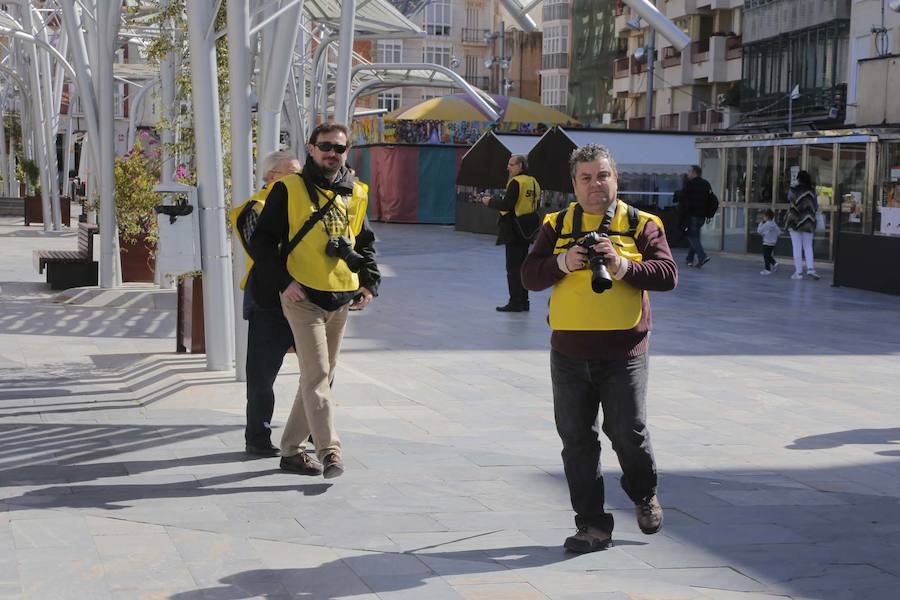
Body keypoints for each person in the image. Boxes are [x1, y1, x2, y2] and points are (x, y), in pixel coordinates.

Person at [521, 144, 678, 553]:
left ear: (616, 178)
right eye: (586, 178)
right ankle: (592, 525)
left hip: (624, 351)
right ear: (573, 184)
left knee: (628, 433)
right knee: (576, 440)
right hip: (569, 351)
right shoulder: (557, 224)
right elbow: (529, 277)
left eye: (602, 175)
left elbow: (666, 275)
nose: (595, 185)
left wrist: (622, 266)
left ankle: (644, 493)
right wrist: (563, 262)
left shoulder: (643, 223)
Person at [250, 123, 381, 478]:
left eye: (339, 149)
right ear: (310, 148)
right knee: (319, 375)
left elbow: (364, 242)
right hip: (302, 295)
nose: (332, 154)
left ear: (346, 153)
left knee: (317, 376)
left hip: (340, 297)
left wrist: (369, 284)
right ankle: (329, 451)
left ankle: (291, 450)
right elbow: (261, 242)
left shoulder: (356, 192)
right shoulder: (288, 189)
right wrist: (284, 282)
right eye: (325, 146)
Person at [229, 151, 302, 457]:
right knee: (262, 375)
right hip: (268, 301)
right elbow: (262, 253)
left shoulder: (303, 205)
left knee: (318, 372)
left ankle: (311, 430)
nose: (298, 179)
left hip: (306, 298)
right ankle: (258, 436)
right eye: (292, 172)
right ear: (272, 176)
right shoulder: (255, 209)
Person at [480, 154, 541, 312]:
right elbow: (536, 204)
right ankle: (524, 301)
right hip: (527, 229)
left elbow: (507, 205)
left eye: (511, 164)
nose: (508, 167)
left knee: (513, 268)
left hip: (513, 229)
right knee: (522, 267)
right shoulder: (533, 182)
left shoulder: (516, 182)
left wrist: (490, 202)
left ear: (520, 166)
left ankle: (515, 302)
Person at [785, 170, 820, 280]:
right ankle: (810, 269)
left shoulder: (793, 189)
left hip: (794, 220)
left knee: (797, 247)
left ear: (798, 179)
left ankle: (798, 272)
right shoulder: (812, 191)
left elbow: (789, 199)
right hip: (808, 221)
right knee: (808, 246)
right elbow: (816, 206)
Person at [679, 165, 712, 268]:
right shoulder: (706, 184)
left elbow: (683, 196)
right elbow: (711, 199)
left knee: (691, 236)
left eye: (689, 172)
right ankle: (690, 259)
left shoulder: (690, 184)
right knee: (695, 236)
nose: (688, 174)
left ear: (694, 172)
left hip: (692, 214)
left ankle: (702, 256)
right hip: (702, 216)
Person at [756, 208, 780, 275]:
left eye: (764, 216)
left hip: (766, 242)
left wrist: (760, 223)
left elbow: (759, 231)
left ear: (767, 217)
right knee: (768, 255)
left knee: (766, 256)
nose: (763, 218)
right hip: (772, 243)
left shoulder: (766, 224)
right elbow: (779, 232)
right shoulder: (774, 224)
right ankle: (774, 263)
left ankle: (767, 269)